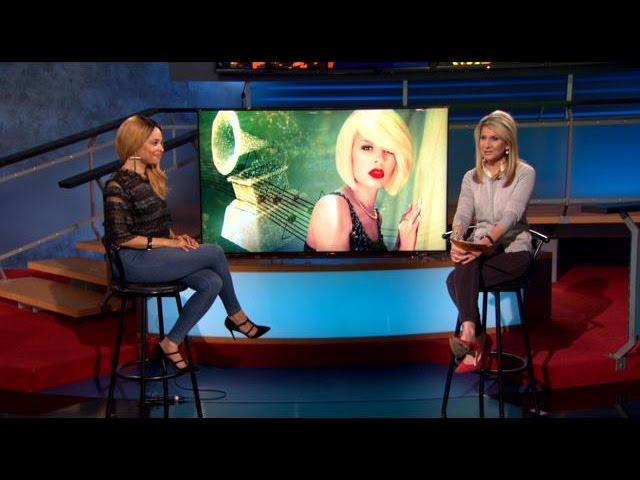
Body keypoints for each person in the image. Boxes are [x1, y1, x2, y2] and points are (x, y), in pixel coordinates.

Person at [103, 115, 270, 372]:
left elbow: (155, 224)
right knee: (214, 252)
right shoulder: (116, 185)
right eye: (155, 143)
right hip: (131, 262)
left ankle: (171, 342)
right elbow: (121, 238)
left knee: (211, 282)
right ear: (135, 143)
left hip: (153, 254)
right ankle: (237, 316)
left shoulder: (149, 177)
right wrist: (167, 244)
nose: (161, 148)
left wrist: (175, 238)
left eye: (161, 142)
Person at [446, 110, 536, 373]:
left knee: (456, 280)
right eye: (483, 138)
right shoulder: (471, 177)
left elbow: (512, 214)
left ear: (507, 143)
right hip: (481, 251)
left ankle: (475, 338)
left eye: (494, 138)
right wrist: (457, 239)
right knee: (462, 266)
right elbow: (463, 215)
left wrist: (485, 243)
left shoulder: (524, 173)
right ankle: (472, 332)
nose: (486, 144)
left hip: (513, 251)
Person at [305, 109, 421, 252]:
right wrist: (406, 248)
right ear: (349, 152)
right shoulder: (332, 208)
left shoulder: (375, 216)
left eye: (388, 150)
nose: (379, 158)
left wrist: (402, 242)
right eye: (367, 147)